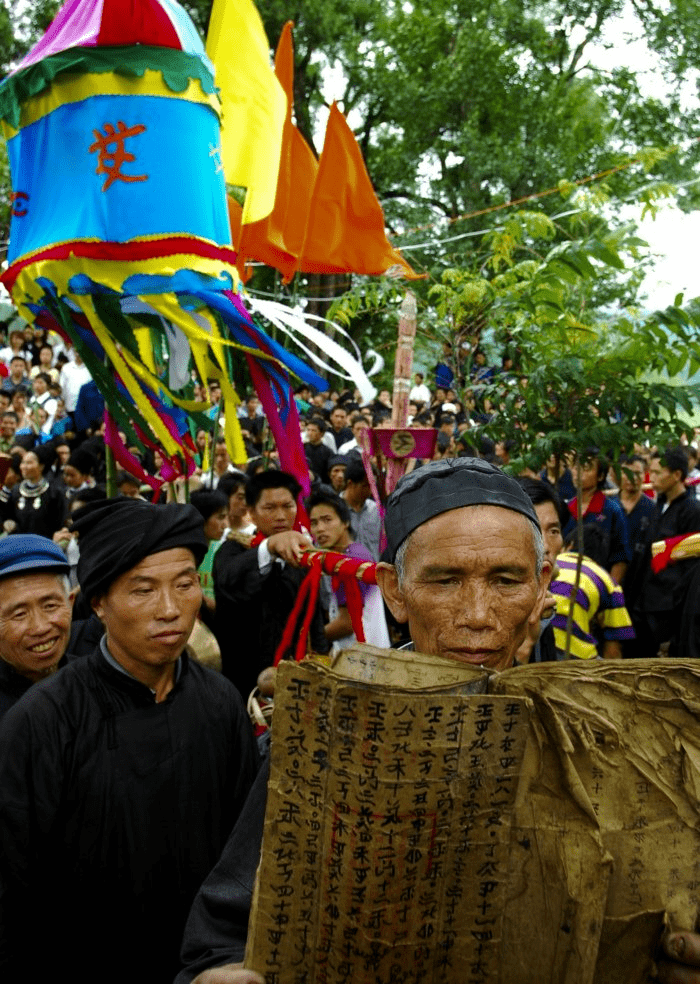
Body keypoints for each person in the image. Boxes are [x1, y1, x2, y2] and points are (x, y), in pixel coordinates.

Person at [176, 457, 700, 984]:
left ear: (543, 583)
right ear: (396, 591)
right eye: (445, 581)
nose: (477, 613)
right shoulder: (327, 738)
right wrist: (217, 973)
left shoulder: (606, 738)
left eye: (505, 579)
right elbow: (221, 936)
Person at [0, 497, 259, 984]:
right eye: (142, 590)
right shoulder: (43, 721)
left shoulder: (220, 703)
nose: (169, 610)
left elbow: (240, 858)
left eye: (184, 585)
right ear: (98, 602)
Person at [213, 470, 328, 698]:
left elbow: (315, 620)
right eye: (270, 508)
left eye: (288, 506)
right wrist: (269, 547)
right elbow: (230, 582)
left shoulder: (303, 557)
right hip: (242, 684)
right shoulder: (232, 551)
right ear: (252, 512)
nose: (281, 516)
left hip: (294, 686)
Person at [631, 446, 700, 659]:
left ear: (677, 475)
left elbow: (689, 569)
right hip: (642, 603)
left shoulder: (692, 512)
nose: (653, 478)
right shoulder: (656, 506)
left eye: (659, 472)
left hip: (666, 610)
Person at [0, 534, 75, 720]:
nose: (40, 627)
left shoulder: (98, 685)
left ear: (70, 603)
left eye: (50, 606)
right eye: (19, 614)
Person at [307, 488, 389, 651]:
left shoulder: (350, 562)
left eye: (327, 520)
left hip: (363, 659)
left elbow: (347, 624)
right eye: (314, 523)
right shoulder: (350, 554)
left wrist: (309, 640)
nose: (320, 529)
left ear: (345, 522)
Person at [564, 448, 630, 582]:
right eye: (576, 468)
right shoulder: (566, 509)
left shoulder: (611, 510)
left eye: (586, 468)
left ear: (600, 476)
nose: (578, 473)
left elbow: (620, 558)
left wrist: (609, 590)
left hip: (596, 584)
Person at [341, 456, 382, 561]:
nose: (370, 491)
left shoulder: (376, 510)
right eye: (365, 486)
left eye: (372, 486)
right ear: (350, 484)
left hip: (373, 572)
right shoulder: (335, 511)